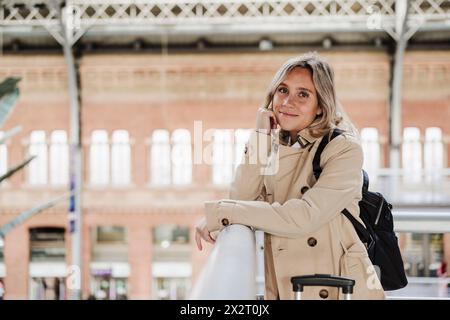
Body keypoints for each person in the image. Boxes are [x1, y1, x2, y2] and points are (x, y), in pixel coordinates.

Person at [195, 52, 385, 300]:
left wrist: (222, 212)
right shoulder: (275, 149)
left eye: (303, 94)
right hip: (287, 288)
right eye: (282, 90)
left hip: (339, 287)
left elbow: (303, 217)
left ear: (320, 106)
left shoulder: (344, 148)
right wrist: (260, 137)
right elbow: (242, 196)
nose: (287, 101)